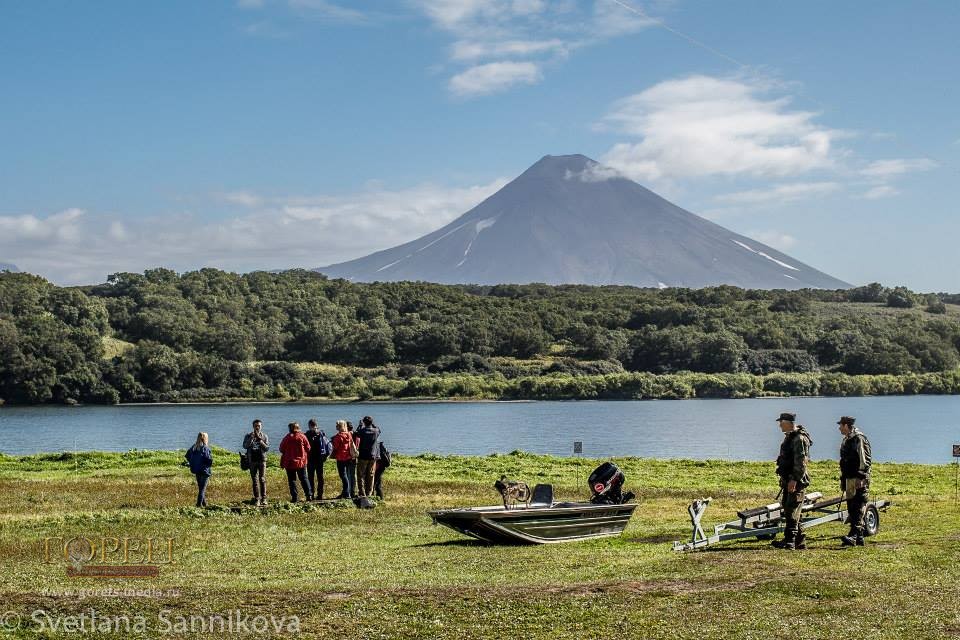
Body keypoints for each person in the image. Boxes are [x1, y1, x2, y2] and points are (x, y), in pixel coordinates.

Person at [772, 412, 813, 550]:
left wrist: (794, 480)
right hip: (788, 479)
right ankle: (800, 542)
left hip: (795, 481)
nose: (779, 425)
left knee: (792, 510)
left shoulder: (799, 439)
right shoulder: (790, 437)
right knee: (792, 510)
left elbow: (801, 462)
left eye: (781, 422)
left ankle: (790, 541)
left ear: (788, 422)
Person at [838, 416, 872, 547]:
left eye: (840, 425)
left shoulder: (859, 438)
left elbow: (865, 460)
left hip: (857, 478)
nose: (839, 428)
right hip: (849, 477)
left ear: (846, 425)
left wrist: (861, 477)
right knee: (852, 506)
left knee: (858, 505)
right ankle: (858, 538)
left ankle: (853, 535)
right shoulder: (847, 439)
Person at [279, 422, 312, 502]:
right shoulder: (302, 436)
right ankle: (309, 495)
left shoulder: (287, 438)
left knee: (292, 480)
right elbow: (308, 448)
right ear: (298, 428)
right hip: (301, 462)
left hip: (290, 462)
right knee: (304, 478)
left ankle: (295, 497)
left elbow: (281, 449)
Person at [243, 419, 270, 506]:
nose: (257, 427)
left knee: (262, 479)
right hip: (252, 461)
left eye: (259, 426)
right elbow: (245, 446)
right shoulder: (248, 435)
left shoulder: (264, 436)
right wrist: (251, 438)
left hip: (262, 460)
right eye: (256, 426)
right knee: (254, 480)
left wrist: (260, 440)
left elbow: (266, 448)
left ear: (261, 426)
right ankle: (257, 499)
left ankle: (264, 498)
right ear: (253, 426)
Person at [354, 416, 380, 497]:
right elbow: (378, 429)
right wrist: (373, 424)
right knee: (371, 475)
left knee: (360, 475)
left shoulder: (362, 431)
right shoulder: (376, 431)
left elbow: (356, 433)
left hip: (363, 456)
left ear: (364, 422)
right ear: (371, 422)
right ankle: (369, 492)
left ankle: (362, 493)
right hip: (373, 456)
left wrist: (360, 425)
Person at [304, 419, 330, 500]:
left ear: (309, 425)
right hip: (320, 459)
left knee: (311, 477)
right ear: (316, 425)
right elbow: (328, 446)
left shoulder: (307, 434)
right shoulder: (322, 434)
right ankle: (320, 495)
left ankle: (311, 494)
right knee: (320, 477)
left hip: (310, 459)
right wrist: (325, 457)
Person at [185, 432, 213, 507]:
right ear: (205, 439)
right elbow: (209, 460)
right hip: (204, 471)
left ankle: (204, 503)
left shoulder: (194, 447)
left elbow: (187, 455)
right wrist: (208, 465)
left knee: (201, 488)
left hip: (196, 470)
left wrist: (192, 462)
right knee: (202, 490)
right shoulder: (205, 448)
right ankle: (198, 505)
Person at [331, 420, 357, 499]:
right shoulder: (348, 434)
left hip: (340, 458)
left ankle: (346, 493)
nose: (335, 426)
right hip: (348, 457)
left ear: (339, 427)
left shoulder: (338, 437)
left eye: (337, 425)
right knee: (348, 475)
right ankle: (347, 492)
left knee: (343, 476)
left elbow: (335, 447)